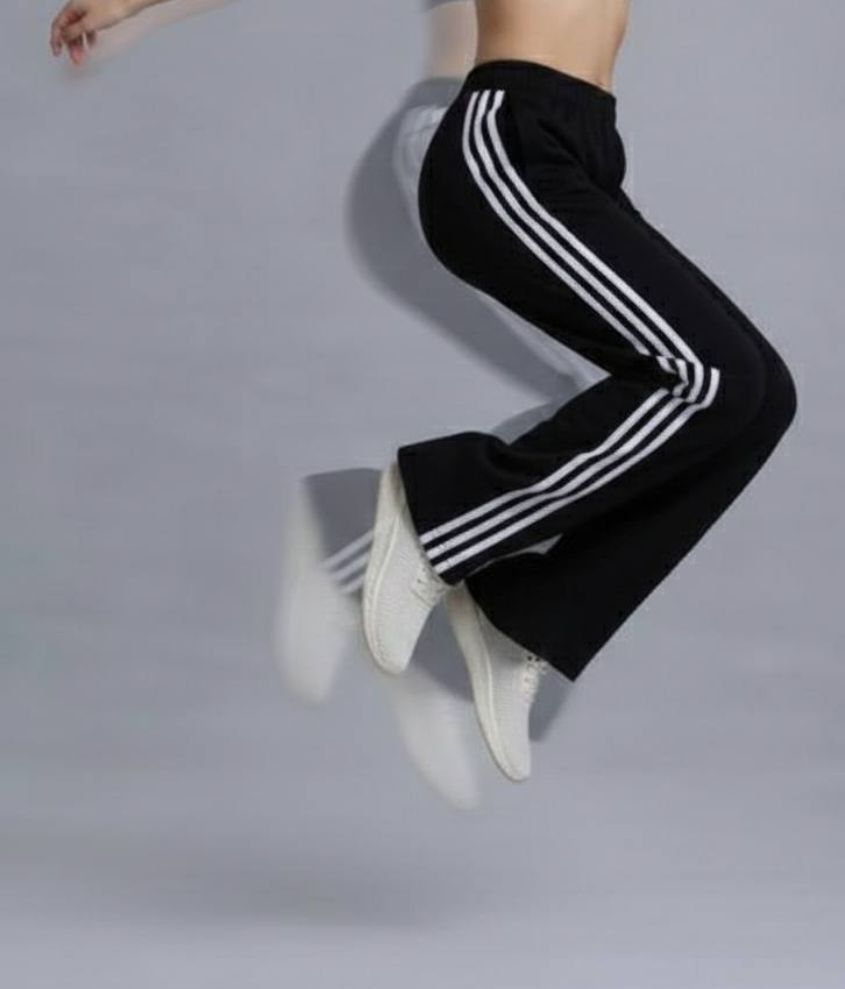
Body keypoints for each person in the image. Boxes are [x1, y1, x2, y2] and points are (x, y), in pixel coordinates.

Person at [49, 0, 799, 786]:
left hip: (588, 148)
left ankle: (521, 620)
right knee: (701, 377)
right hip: (510, 141)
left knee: (758, 398)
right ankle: (421, 513)